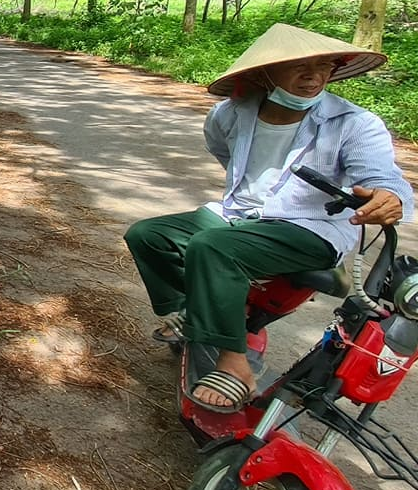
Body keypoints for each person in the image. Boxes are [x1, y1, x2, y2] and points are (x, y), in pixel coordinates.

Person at [124, 23, 413, 411]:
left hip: (311, 228)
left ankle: (234, 361)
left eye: (325, 66)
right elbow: (224, 153)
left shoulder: (354, 124)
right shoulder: (230, 114)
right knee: (148, 235)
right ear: (264, 73)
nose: (314, 77)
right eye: (300, 66)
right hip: (238, 217)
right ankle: (194, 312)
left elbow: (381, 176)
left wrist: (387, 196)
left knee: (214, 248)